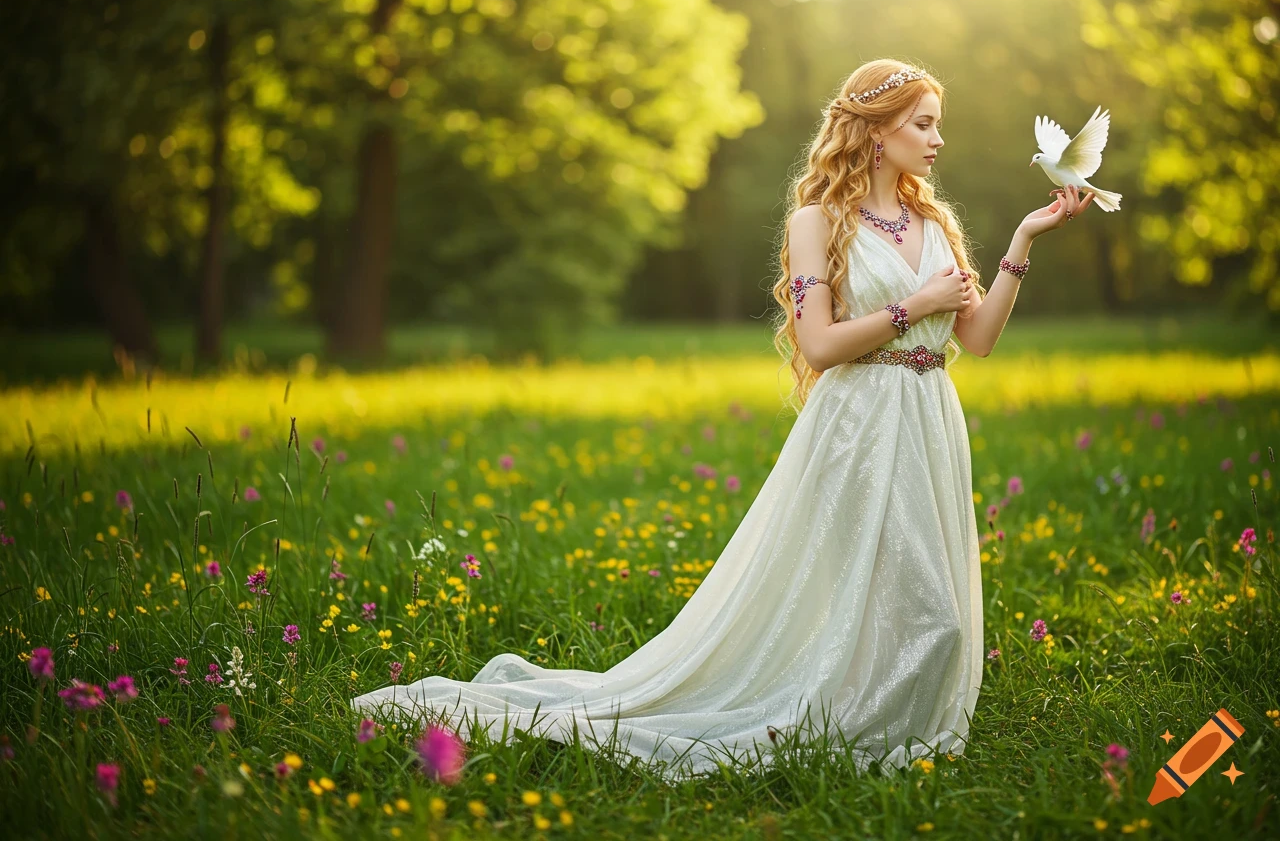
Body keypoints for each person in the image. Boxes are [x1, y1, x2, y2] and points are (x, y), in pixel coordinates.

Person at [350, 58, 1096, 781]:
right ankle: (851, 731)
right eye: (923, 124)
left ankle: (889, 730)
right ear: (876, 131)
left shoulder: (935, 222)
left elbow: (979, 339)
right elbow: (819, 344)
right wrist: (912, 308)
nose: (937, 140)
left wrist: (1022, 242)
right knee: (910, 609)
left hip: (931, 418)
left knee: (925, 606)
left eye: (938, 126)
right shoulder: (819, 221)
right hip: (858, 424)